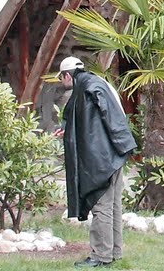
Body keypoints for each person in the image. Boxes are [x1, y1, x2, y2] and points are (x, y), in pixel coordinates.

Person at [58, 56, 136, 268]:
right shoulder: (94, 83)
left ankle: (100, 256)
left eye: (60, 78)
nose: (61, 82)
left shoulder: (90, 86)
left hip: (104, 159)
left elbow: (111, 115)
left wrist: (123, 143)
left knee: (101, 206)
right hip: (113, 156)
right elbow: (88, 118)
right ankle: (114, 253)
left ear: (67, 75)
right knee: (113, 206)